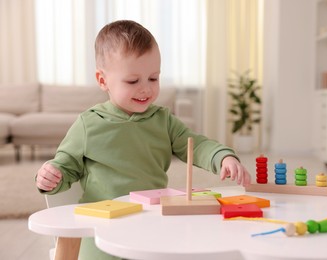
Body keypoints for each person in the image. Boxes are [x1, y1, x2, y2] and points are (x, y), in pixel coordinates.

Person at [35, 20, 251, 259]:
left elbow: (196, 144)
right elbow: (65, 167)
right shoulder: (89, 124)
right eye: (132, 81)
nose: (145, 89)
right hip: (102, 231)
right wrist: (51, 176)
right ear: (102, 80)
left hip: (152, 223)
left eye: (154, 78)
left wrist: (222, 157)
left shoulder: (163, 120)